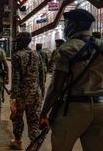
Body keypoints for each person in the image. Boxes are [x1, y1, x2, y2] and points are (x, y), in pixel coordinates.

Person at [40, 9, 103, 151]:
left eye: (67, 24)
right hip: (100, 107)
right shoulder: (101, 46)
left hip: (74, 108)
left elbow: (56, 88)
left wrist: (44, 113)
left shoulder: (67, 48)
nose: (65, 27)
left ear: (73, 25)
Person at [9, 32, 44, 149]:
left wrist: (13, 97)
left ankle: (18, 142)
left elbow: (15, 78)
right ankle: (35, 145)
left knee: (17, 118)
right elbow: (41, 76)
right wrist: (41, 92)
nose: (16, 44)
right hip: (35, 93)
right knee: (34, 120)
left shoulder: (17, 56)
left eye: (17, 42)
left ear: (21, 42)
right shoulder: (37, 54)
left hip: (21, 94)